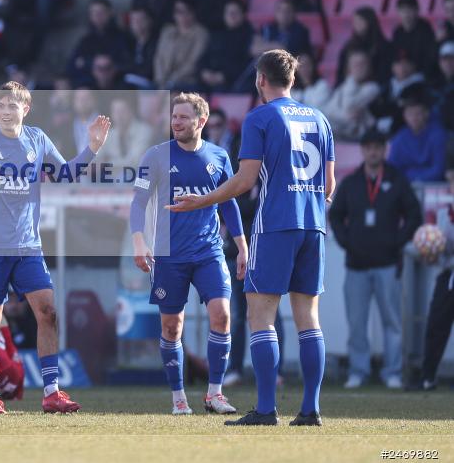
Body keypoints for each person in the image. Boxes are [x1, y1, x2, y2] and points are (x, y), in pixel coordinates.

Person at [169, 50, 335, 427]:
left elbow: (245, 181)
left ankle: (265, 409)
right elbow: (329, 185)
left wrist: (203, 201)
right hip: (313, 226)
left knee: (262, 316)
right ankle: (310, 410)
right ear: (291, 80)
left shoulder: (259, 117)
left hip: (275, 224)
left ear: (261, 79)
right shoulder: (320, 118)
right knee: (309, 318)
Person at [0, 81, 111, 415]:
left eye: (12, 106)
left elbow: (65, 175)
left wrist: (92, 149)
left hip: (28, 246)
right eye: (1, 105)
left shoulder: (37, 139)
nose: (5, 111)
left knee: (48, 312)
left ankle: (52, 392)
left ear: (25, 109)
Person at [131, 92, 246, 416]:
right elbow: (138, 203)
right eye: (174, 116)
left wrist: (241, 245)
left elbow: (229, 202)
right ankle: (179, 397)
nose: (176, 122)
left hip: (209, 251)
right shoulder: (155, 156)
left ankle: (214, 394)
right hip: (169, 256)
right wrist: (139, 242)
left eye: (183, 117)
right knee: (171, 328)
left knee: (222, 315)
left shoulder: (219, 157)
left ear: (201, 121)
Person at [329, 129, 421, 389]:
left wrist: (398, 241)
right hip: (356, 264)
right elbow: (336, 215)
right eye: (368, 147)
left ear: (384, 150)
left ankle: (392, 372)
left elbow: (414, 214)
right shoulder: (352, 182)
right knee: (357, 323)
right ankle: (358, 371)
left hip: (388, 264)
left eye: (377, 147)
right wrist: (347, 242)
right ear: (362, 150)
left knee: (392, 321)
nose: (373, 151)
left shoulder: (396, 179)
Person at [413, 170, 454, 390]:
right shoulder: (441, 213)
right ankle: (427, 378)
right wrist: (430, 253)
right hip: (448, 275)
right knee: (436, 324)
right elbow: (435, 257)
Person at [322, 49, 381, 141]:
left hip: (364, 139)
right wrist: (345, 116)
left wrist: (351, 80)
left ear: (369, 67)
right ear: (348, 68)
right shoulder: (342, 88)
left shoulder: (373, 87)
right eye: (355, 65)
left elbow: (349, 105)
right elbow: (328, 111)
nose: (359, 68)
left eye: (362, 64)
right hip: (341, 137)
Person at [387, 92, 448, 182]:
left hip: (434, 186)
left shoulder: (438, 135)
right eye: (410, 114)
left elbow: (439, 169)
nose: (414, 118)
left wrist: (414, 178)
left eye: (418, 113)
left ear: (426, 114)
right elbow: (392, 168)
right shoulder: (400, 137)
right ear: (404, 116)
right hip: (405, 185)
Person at [198, 0, 254, 91]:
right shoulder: (217, 35)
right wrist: (204, 72)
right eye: (228, 12)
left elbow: (246, 65)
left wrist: (224, 76)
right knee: (178, 92)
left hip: (232, 85)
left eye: (235, 12)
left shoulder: (250, 36)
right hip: (207, 82)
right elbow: (204, 57)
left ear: (243, 15)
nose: (231, 16)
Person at [153, 0, 209, 90]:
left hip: (187, 81)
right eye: (179, 12)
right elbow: (159, 57)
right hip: (163, 81)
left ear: (193, 13)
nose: (183, 16)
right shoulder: (167, 31)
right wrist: (160, 79)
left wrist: (172, 80)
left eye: (187, 11)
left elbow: (194, 62)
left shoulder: (201, 33)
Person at [95, 96, 153, 173]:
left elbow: (134, 162)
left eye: (122, 111)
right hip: (111, 176)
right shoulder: (108, 134)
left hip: (138, 176)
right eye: (115, 112)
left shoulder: (145, 131)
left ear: (131, 112)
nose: (119, 116)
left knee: (125, 176)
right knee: (84, 178)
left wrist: (107, 163)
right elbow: (96, 160)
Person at [391, 0, 438, 82]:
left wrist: (413, 67)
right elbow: (395, 55)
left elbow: (430, 58)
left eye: (410, 10)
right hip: (402, 73)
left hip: (422, 73)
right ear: (398, 12)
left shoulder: (425, 30)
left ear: (417, 10)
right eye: (403, 10)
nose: (406, 14)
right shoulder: (397, 32)